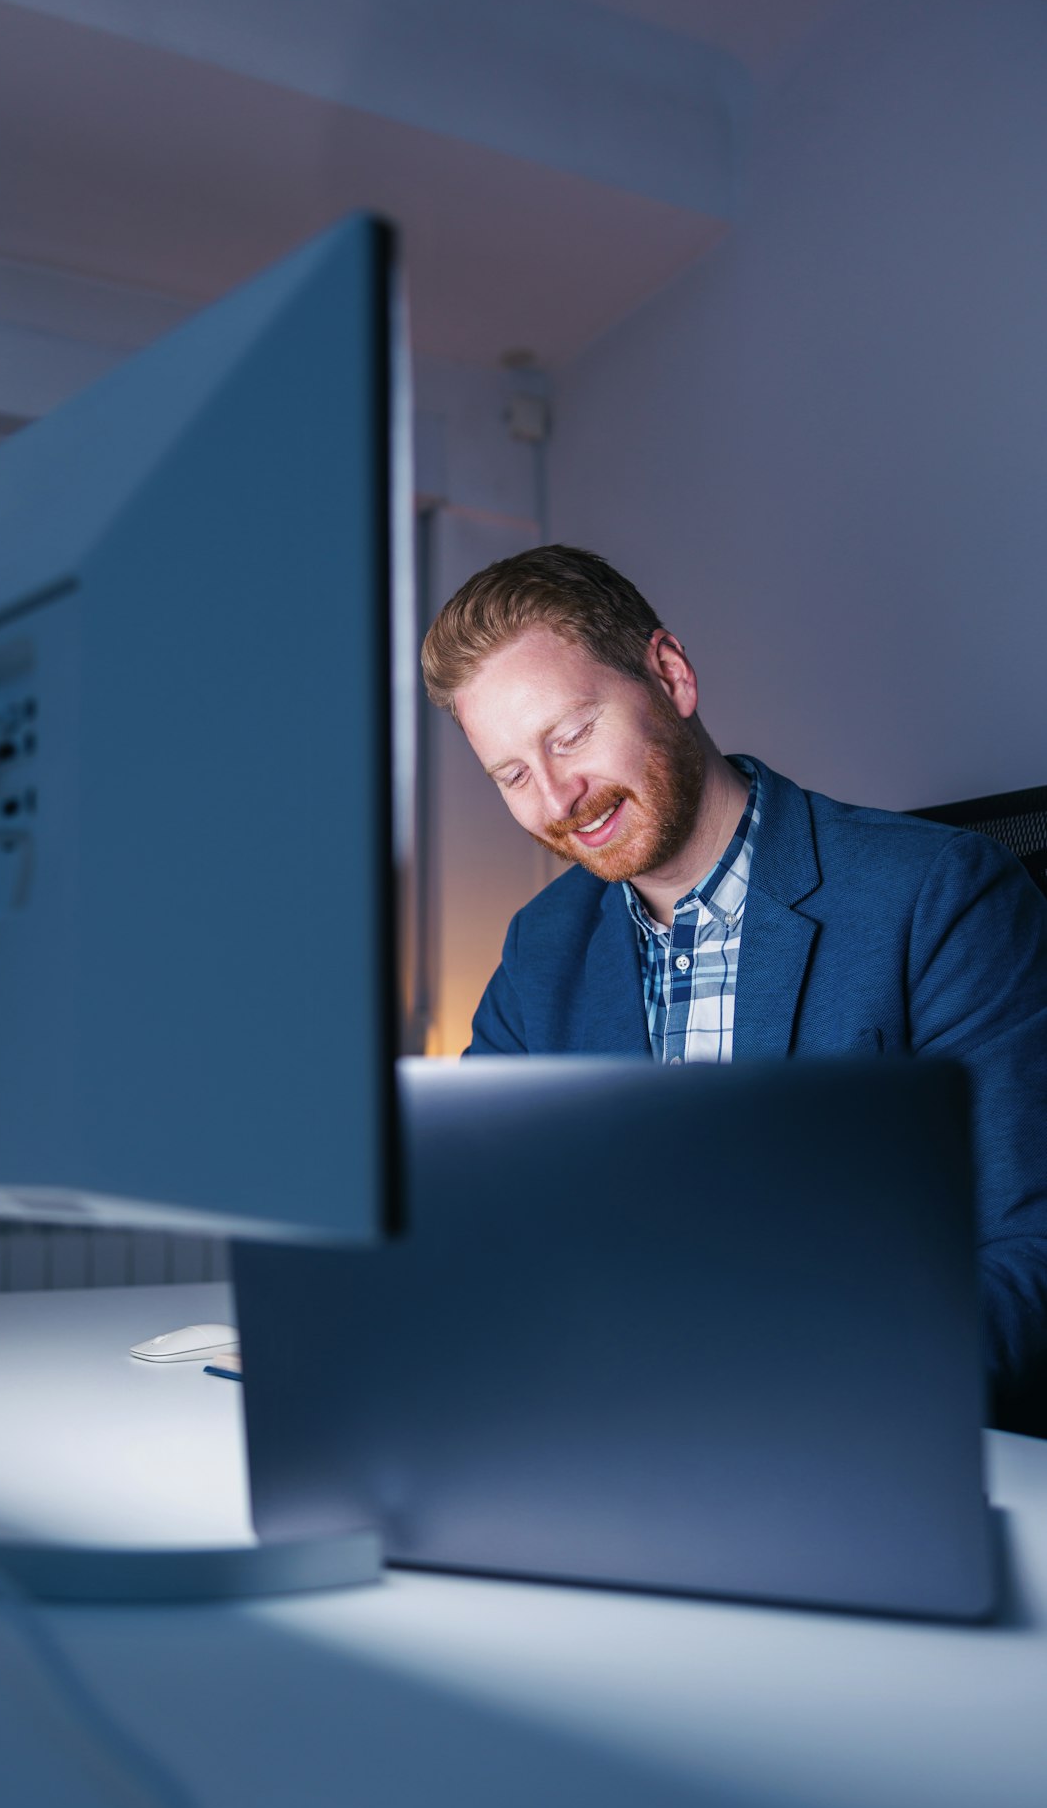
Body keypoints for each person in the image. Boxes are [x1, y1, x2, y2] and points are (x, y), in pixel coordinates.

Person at [421, 544, 1047, 1433]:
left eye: (571, 734)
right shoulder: (541, 949)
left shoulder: (938, 895)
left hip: (861, 1443)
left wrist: (782, 1395)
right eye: (513, 775)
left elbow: (1031, 1251)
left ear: (670, 676)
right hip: (613, 1441)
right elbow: (477, 1236)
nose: (560, 797)